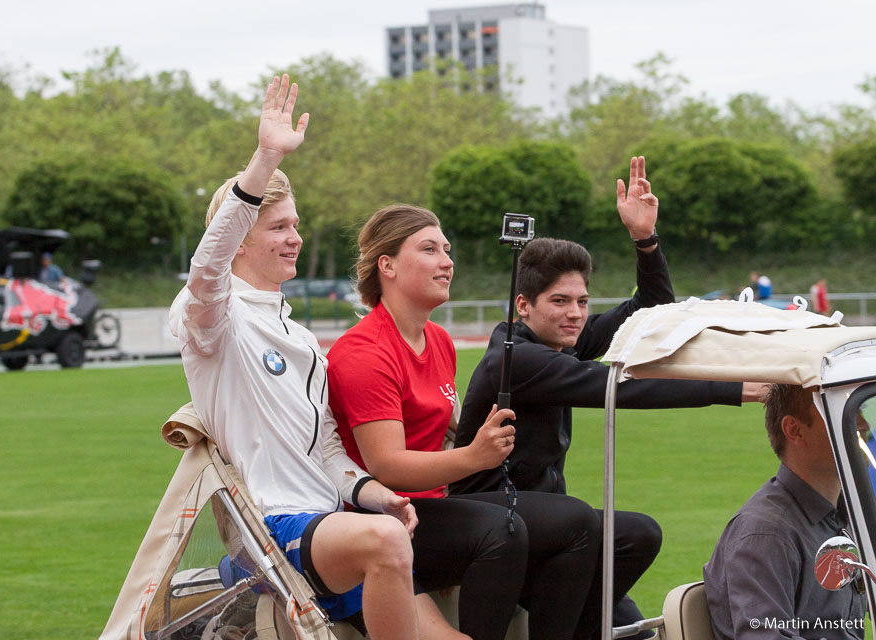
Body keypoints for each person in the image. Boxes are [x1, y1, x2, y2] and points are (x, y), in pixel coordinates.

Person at [449, 157, 769, 639]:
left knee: (629, 590)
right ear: (523, 305)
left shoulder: (559, 341)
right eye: (560, 302)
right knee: (620, 532)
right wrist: (733, 388)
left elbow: (651, 310)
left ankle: (579, 624)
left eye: (582, 301)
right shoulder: (516, 359)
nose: (575, 314)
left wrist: (645, 240)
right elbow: (621, 386)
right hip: (493, 518)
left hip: (550, 525)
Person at [167, 75, 436, 640]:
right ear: (239, 237)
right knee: (387, 540)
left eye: (296, 226)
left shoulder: (299, 335)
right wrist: (265, 160)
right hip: (273, 530)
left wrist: (377, 493)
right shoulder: (216, 319)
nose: (295, 238)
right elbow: (206, 269)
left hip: (334, 522)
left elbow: (328, 450)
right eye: (279, 227)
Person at [328, 204, 604, 640]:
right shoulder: (364, 352)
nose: (447, 261)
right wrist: (474, 456)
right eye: (430, 249)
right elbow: (388, 466)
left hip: (434, 509)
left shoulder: (437, 339)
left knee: (589, 525)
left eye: (447, 249)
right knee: (505, 528)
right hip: (385, 518)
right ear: (388, 266)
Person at [703, 384, 866, 640]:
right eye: (839, 412)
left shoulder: (848, 514)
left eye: (858, 408)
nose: (862, 424)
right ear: (794, 430)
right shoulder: (765, 535)